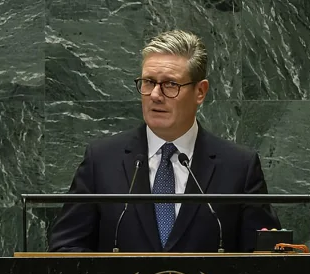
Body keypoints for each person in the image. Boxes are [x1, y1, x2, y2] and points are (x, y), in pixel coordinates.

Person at [49, 30, 280, 253]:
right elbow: (66, 247)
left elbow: (263, 260)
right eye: (149, 82)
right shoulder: (101, 161)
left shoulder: (239, 167)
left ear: (200, 92)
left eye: (170, 84)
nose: (155, 95)